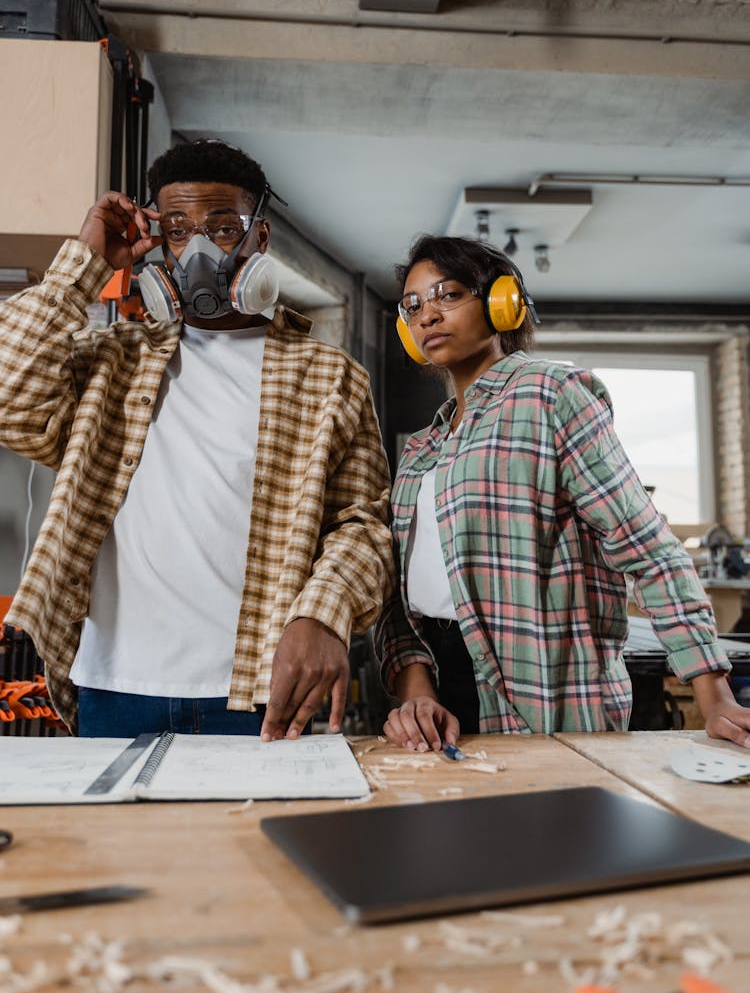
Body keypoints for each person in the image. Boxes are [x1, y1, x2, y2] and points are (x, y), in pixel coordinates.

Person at [0, 139, 394, 738]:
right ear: (158, 242)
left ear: (260, 239)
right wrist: (85, 262)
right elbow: (9, 397)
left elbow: (364, 524)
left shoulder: (329, 376)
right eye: (178, 229)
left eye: (223, 227)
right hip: (115, 685)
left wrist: (325, 614)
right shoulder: (110, 362)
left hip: (260, 691)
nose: (199, 248)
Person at [375, 234, 750, 751]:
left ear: (502, 302)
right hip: (440, 695)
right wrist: (416, 692)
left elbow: (647, 549)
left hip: (549, 694)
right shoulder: (422, 448)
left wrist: (714, 694)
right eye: (413, 306)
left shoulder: (553, 396)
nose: (428, 316)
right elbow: (399, 595)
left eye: (449, 294)